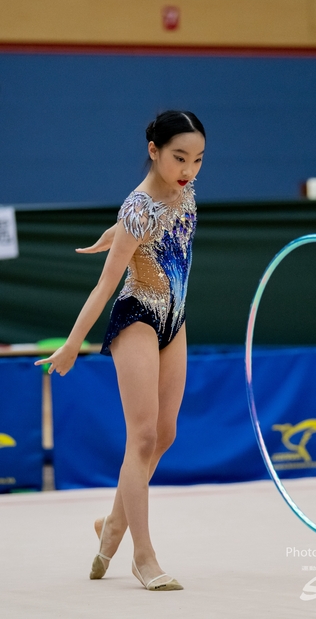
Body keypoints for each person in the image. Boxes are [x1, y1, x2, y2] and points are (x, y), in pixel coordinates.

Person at [35, 110, 206, 591]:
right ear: (153, 150)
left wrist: (117, 235)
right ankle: (142, 556)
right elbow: (106, 284)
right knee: (143, 437)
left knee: (166, 433)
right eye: (179, 157)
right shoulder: (136, 207)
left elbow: (155, 231)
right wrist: (72, 345)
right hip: (138, 315)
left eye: (198, 159)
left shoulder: (185, 191)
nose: (188, 169)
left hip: (175, 317)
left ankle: (111, 525)